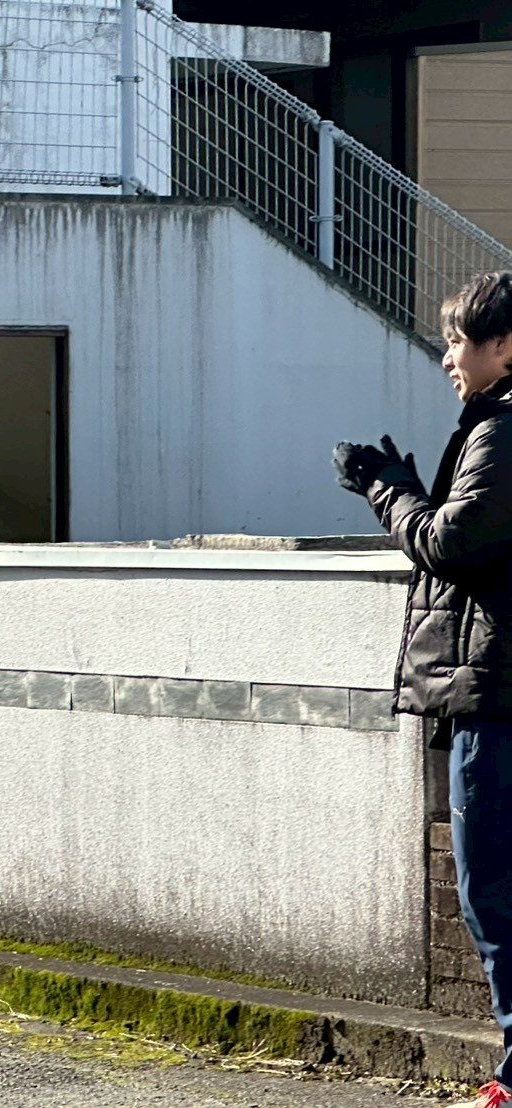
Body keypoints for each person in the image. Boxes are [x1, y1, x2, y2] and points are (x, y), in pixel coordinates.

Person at [335, 271, 512, 1108]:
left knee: (491, 893)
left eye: (457, 341)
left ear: (504, 347)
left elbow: (453, 543)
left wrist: (385, 490)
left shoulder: (502, 429)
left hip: (496, 695)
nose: (447, 357)